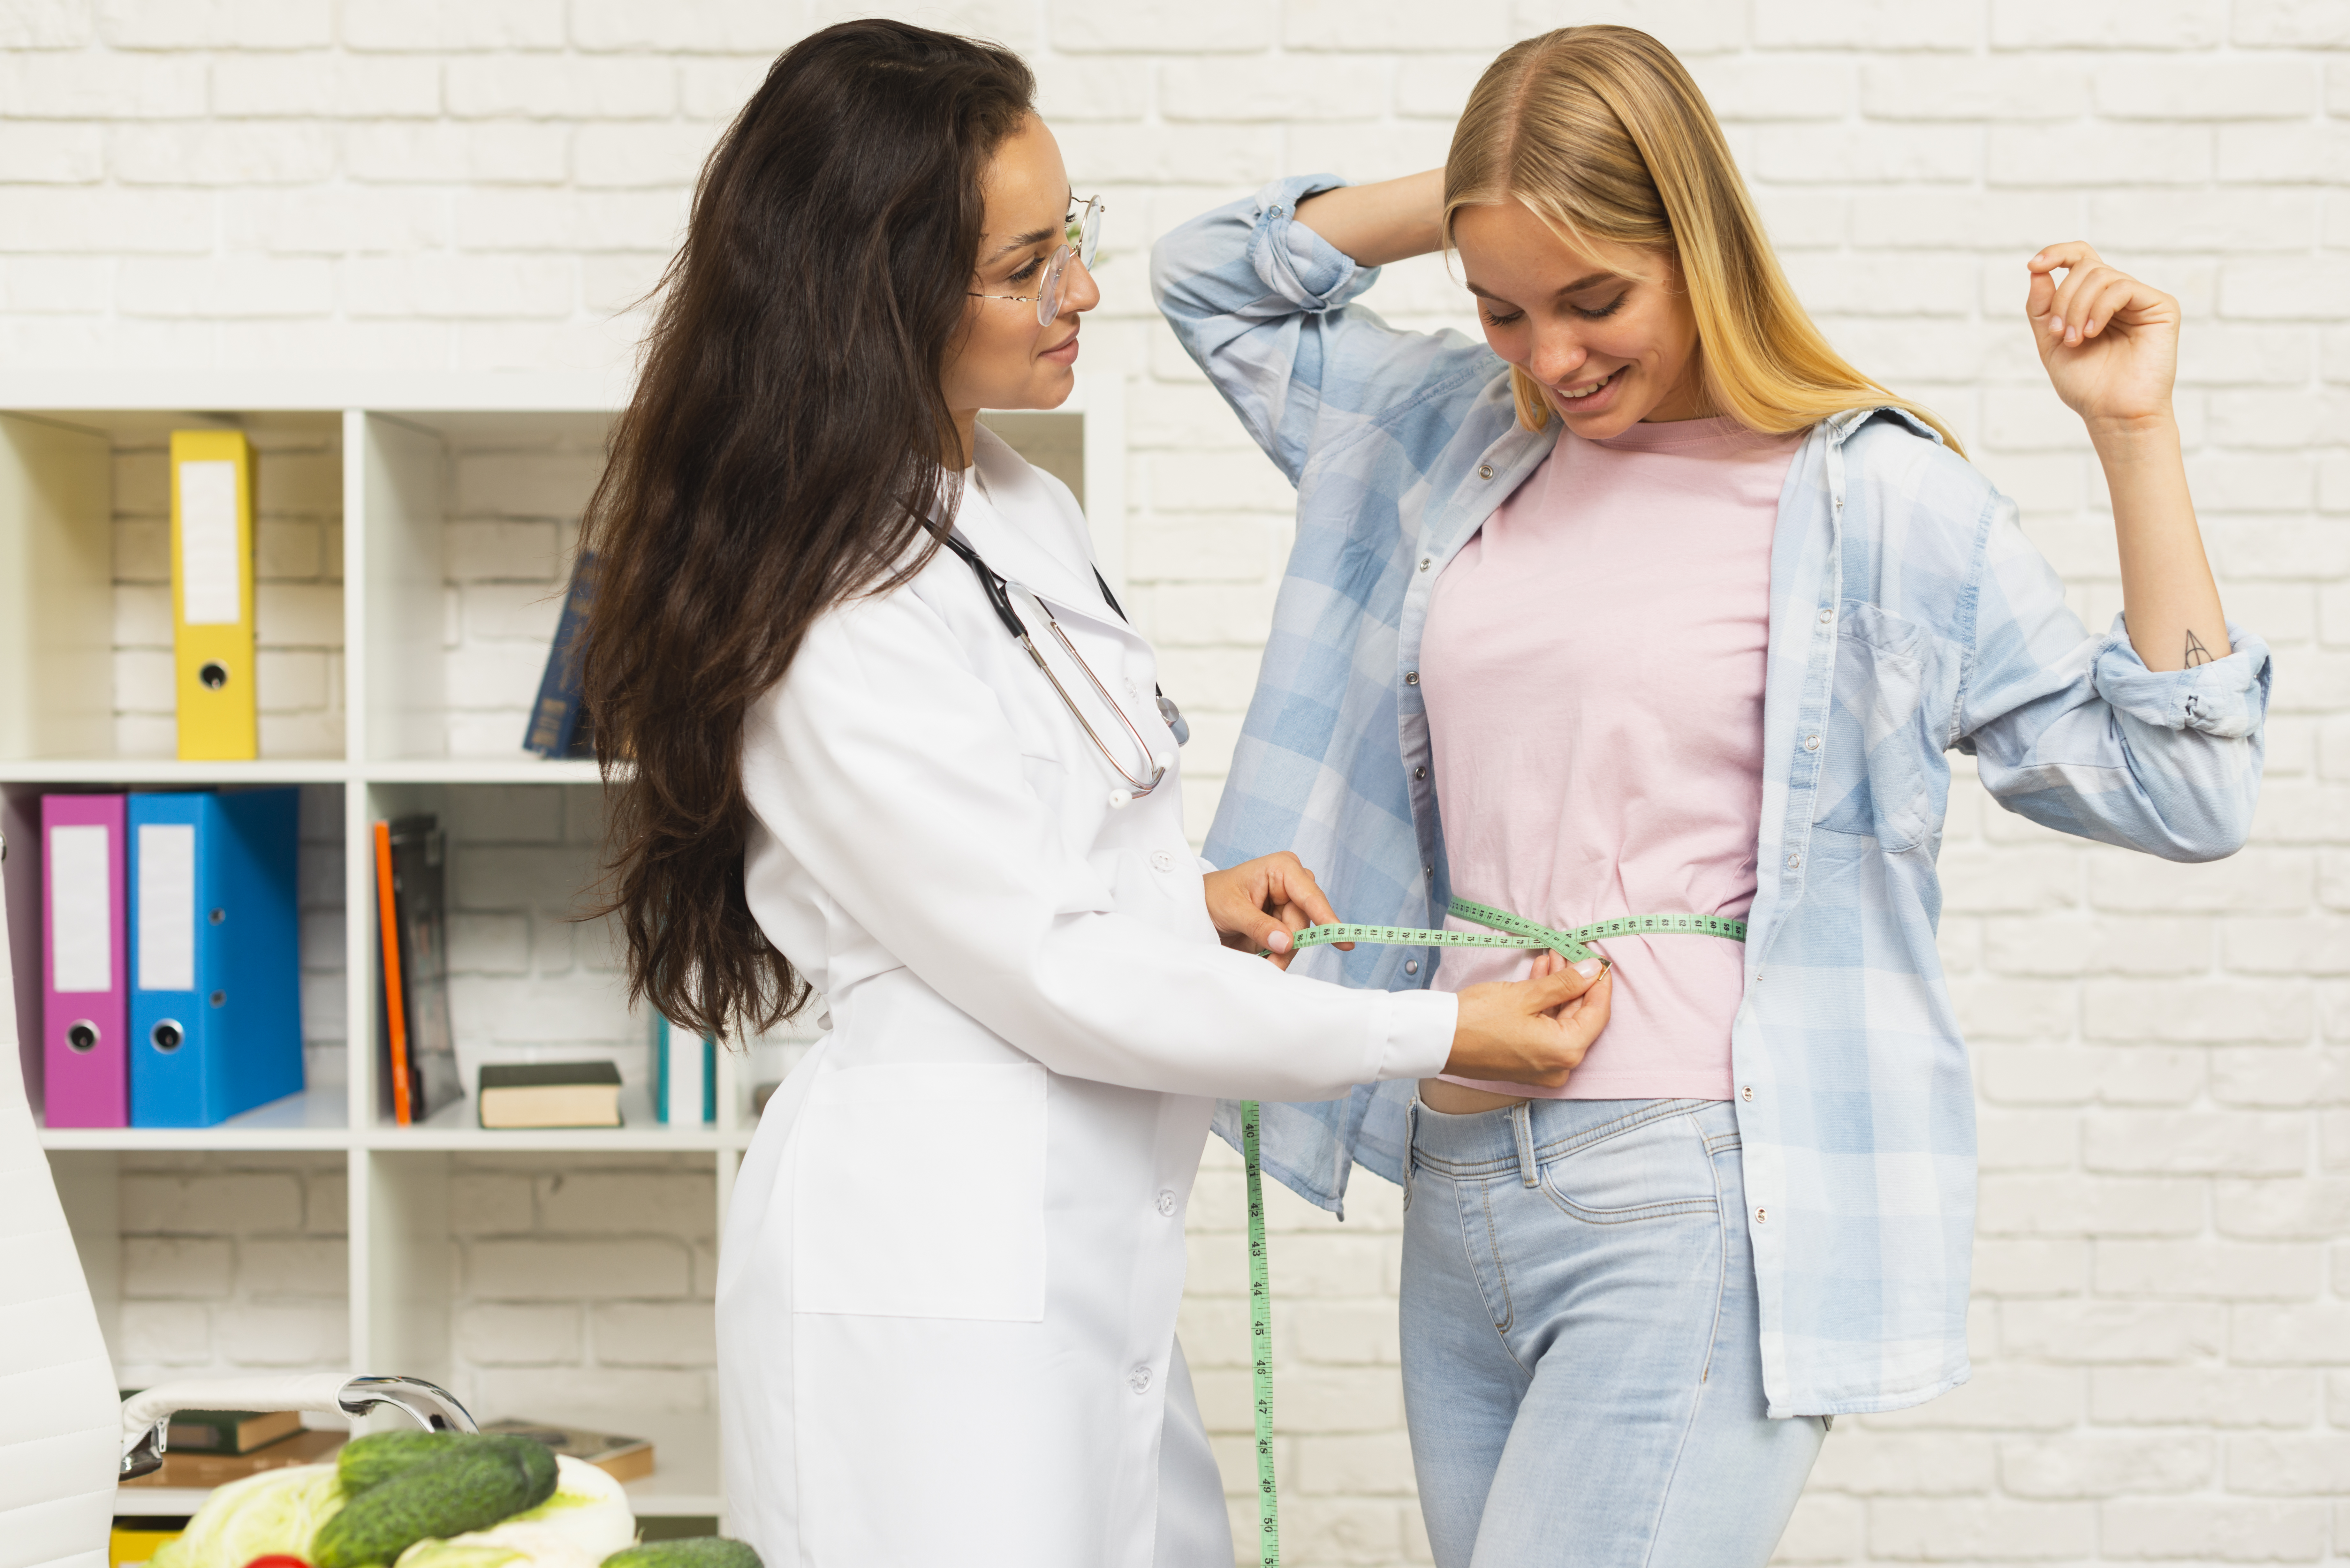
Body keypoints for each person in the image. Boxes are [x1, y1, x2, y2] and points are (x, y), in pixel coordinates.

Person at [1153, 24, 2269, 1567]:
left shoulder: (1868, 498)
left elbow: (2183, 788)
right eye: (1501, 309)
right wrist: (1490, 191)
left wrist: (2131, 434)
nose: (1551, 357)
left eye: (1595, 296)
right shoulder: (1453, 438)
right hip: (1457, 1169)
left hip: (1688, 1189)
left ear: (1699, 238)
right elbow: (1210, 274)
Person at [576, 20, 1611, 1568]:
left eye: (1073, 239)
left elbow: (1022, 864)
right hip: (931, 1266)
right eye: (1022, 267)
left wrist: (1183, 898)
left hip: (1079, 1253)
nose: (1082, 292)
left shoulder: (1012, 501)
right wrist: (1434, 1032)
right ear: (876, 290)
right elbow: (1046, 964)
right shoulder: (827, 605)